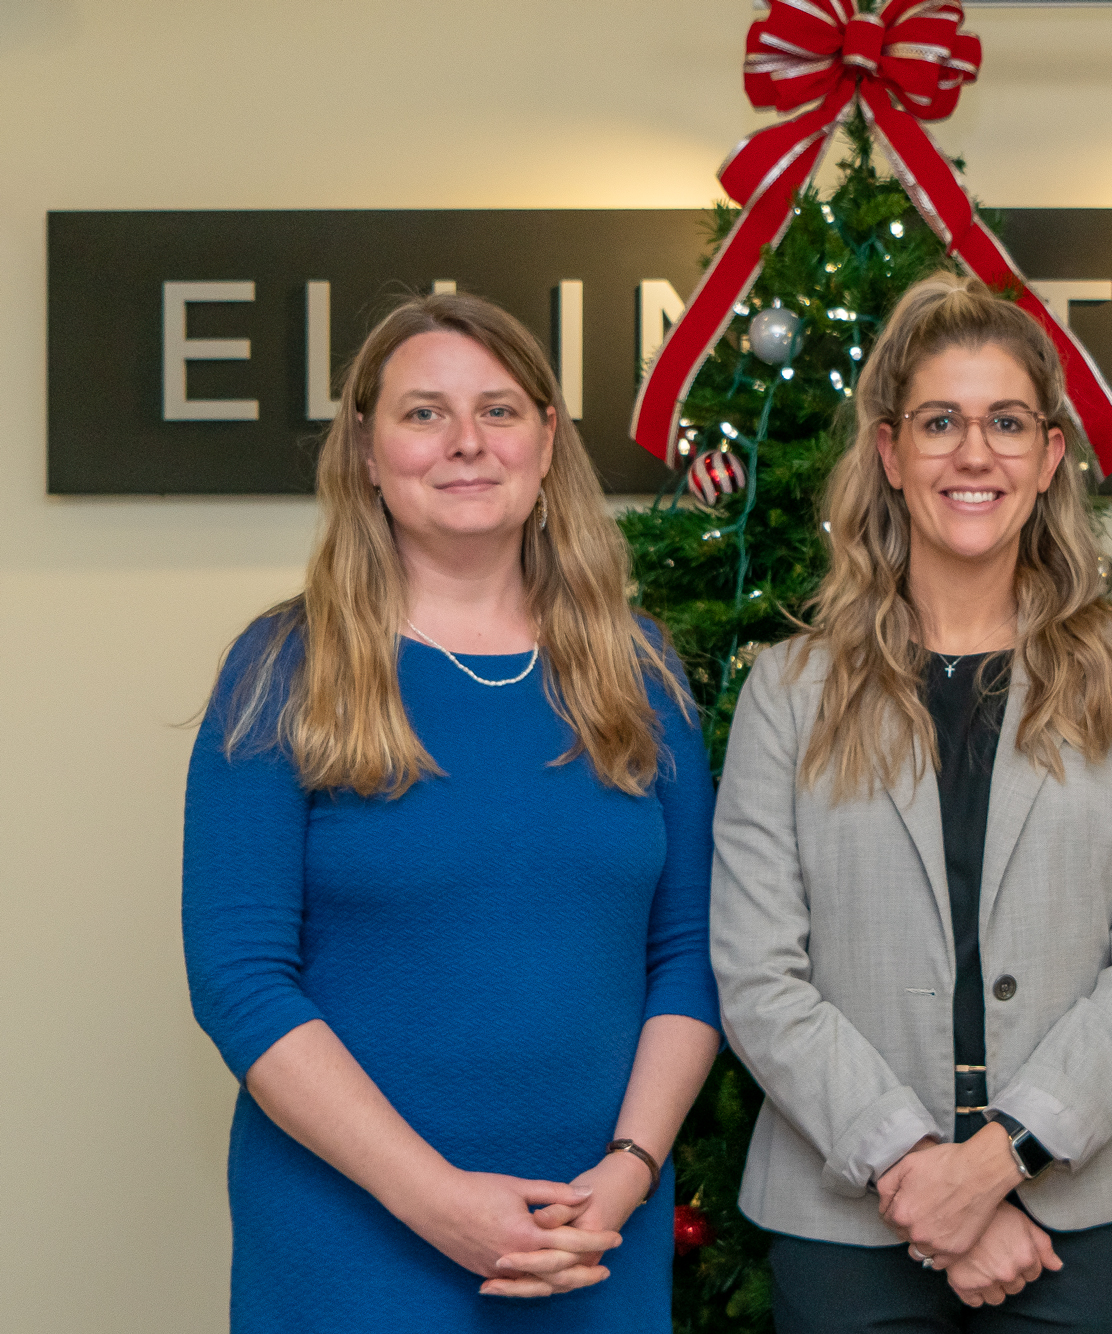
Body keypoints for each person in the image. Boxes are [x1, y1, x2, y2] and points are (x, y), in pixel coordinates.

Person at [182, 292, 721, 1332]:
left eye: (500, 409)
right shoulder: (282, 668)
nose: (467, 442)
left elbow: (689, 953)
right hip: (350, 1244)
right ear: (367, 453)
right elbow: (241, 979)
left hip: (590, 1240)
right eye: (424, 412)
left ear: (547, 440)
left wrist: (627, 1171)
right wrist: (432, 1197)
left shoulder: (639, 670)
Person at [710, 273, 1112, 1332]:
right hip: (848, 1208)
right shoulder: (787, 691)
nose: (972, 453)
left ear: (1048, 454)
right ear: (889, 454)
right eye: (939, 421)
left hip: (1087, 1196)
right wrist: (918, 1167)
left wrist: (1000, 1158)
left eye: (1004, 422)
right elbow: (757, 972)